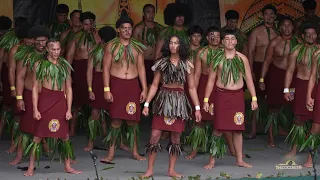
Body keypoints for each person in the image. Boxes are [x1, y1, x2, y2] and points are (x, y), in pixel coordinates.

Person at [140, 35, 201, 178]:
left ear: (181, 46)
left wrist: (197, 108)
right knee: (155, 135)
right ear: (168, 45)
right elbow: (155, 85)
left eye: (176, 43)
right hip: (163, 100)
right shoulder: (162, 62)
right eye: (171, 43)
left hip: (179, 102)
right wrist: (147, 104)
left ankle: (171, 170)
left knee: (176, 138)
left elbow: (191, 88)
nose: (173, 45)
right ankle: (149, 170)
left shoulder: (187, 63)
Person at [23, 38, 81, 176]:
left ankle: (67, 166)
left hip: (60, 100)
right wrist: (35, 109)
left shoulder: (64, 65)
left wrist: (68, 109)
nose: (56, 52)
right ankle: (31, 167)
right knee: (38, 136)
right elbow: (36, 87)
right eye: (53, 49)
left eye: (58, 49)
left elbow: (69, 88)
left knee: (64, 136)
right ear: (47, 50)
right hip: (45, 100)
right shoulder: (39, 64)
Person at [203, 29, 258, 169]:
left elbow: (249, 80)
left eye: (232, 39)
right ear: (222, 42)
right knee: (218, 129)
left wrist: (254, 98)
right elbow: (210, 80)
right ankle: (212, 160)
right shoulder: (217, 58)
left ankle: (239, 159)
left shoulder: (242, 59)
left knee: (238, 129)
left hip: (237, 96)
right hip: (221, 96)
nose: (229, 41)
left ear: (236, 41)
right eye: (226, 39)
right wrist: (206, 100)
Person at [101, 14, 147, 163]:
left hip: (132, 85)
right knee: (115, 121)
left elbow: (141, 68)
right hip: (117, 84)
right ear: (118, 30)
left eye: (129, 28)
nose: (127, 31)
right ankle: (111, 153)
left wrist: (144, 88)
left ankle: (135, 152)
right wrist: (107, 89)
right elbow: (106, 68)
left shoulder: (137, 47)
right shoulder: (111, 46)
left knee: (133, 121)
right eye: (124, 28)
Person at [9, 25, 50, 165]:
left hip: (46, 95)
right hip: (28, 94)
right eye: (37, 40)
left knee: (47, 122)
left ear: (47, 41)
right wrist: (19, 97)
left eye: (43, 40)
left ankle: (48, 148)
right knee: (26, 127)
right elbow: (20, 77)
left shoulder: (53, 55)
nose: (40, 43)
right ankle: (19, 156)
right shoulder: (26, 56)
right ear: (33, 41)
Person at [259, 17, 298, 147]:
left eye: (289, 25)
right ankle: (270, 137)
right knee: (274, 107)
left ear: (293, 27)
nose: (286, 28)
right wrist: (262, 79)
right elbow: (267, 61)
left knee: (294, 106)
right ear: (280, 27)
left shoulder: (298, 42)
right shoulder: (274, 42)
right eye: (283, 25)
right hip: (277, 75)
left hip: (293, 78)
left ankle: (294, 135)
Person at [185, 26, 220, 160]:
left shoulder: (224, 52)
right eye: (212, 35)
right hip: (204, 85)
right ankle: (195, 149)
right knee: (200, 120)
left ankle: (231, 149)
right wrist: (193, 91)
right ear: (207, 37)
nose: (214, 38)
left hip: (220, 86)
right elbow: (197, 75)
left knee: (220, 118)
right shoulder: (201, 52)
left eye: (217, 35)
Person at [284, 22, 317, 158]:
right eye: (308, 34)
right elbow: (290, 71)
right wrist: (287, 90)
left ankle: (312, 147)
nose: (311, 36)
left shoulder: (319, 50)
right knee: (299, 119)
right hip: (301, 85)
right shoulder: (296, 50)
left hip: (317, 86)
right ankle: (294, 148)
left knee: (316, 120)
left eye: (313, 34)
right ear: (302, 36)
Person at [66, 11, 101, 136]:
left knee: (97, 102)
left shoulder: (98, 36)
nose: (89, 26)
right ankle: (72, 129)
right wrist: (68, 75)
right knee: (78, 103)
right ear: (81, 24)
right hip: (80, 70)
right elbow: (69, 57)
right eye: (86, 24)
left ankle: (100, 130)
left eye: (91, 24)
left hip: (95, 71)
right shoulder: (75, 37)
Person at [247, 4, 278, 139]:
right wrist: (251, 70)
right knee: (256, 99)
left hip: (274, 68)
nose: (269, 17)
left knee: (274, 99)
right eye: (266, 14)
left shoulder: (278, 32)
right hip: (258, 66)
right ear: (262, 16)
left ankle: (273, 131)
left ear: (275, 16)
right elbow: (251, 51)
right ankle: (253, 130)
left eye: (272, 14)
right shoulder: (256, 32)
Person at [84, 26, 117, 151]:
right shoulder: (94, 49)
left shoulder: (116, 49)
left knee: (116, 114)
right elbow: (89, 71)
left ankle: (116, 142)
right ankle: (91, 142)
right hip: (98, 81)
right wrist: (90, 89)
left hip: (112, 80)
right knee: (95, 113)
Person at [0, 17, 28, 153]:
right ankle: (13, 142)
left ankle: (42, 145)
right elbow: (9, 67)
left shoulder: (34, 48)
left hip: (28, 84)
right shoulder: (13, 47)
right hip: (13, 79)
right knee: (11, 109)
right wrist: (12, 87)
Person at [133, 4, 164, 85]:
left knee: (156, 86)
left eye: (153, 12)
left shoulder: (160, 29)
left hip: (157, 62)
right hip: (142, 62)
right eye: (148, 12)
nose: (151, 14)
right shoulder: (138, 28)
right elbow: (133, 48)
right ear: (143, 13)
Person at [303, 47, 320, 168]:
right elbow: (313, 75)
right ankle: (310, 158)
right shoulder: (318, 53)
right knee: (316, 125)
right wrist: (309, 95)